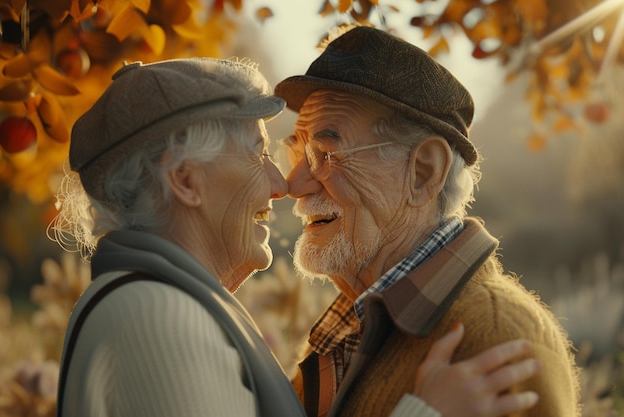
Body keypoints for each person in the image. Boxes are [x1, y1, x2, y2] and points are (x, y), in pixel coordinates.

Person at [50, 57, 540, 417]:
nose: (282, 184)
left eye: (325, 154)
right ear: (185, 181)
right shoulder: (160, 316)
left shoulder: (492, 338)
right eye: (258, 153)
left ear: (423, 172)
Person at [275, 25, 581, 417]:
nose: (294, 184)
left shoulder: (499, 342)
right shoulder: (350, 324)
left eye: (323, 153)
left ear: (423, 172)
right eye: (295, 153)